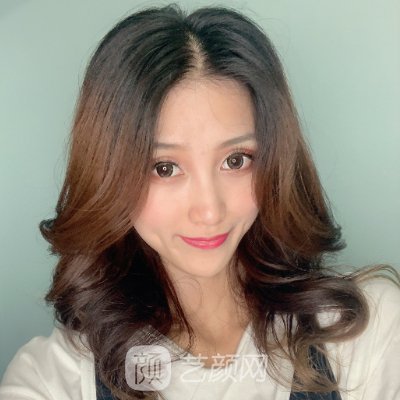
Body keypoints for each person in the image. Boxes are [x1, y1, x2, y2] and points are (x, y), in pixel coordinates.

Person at [0, 4, 399, 400]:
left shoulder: (365, 334)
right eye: (164, 168)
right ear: (108, 174)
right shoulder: (56, 380)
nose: (209, 211)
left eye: (236, 160)